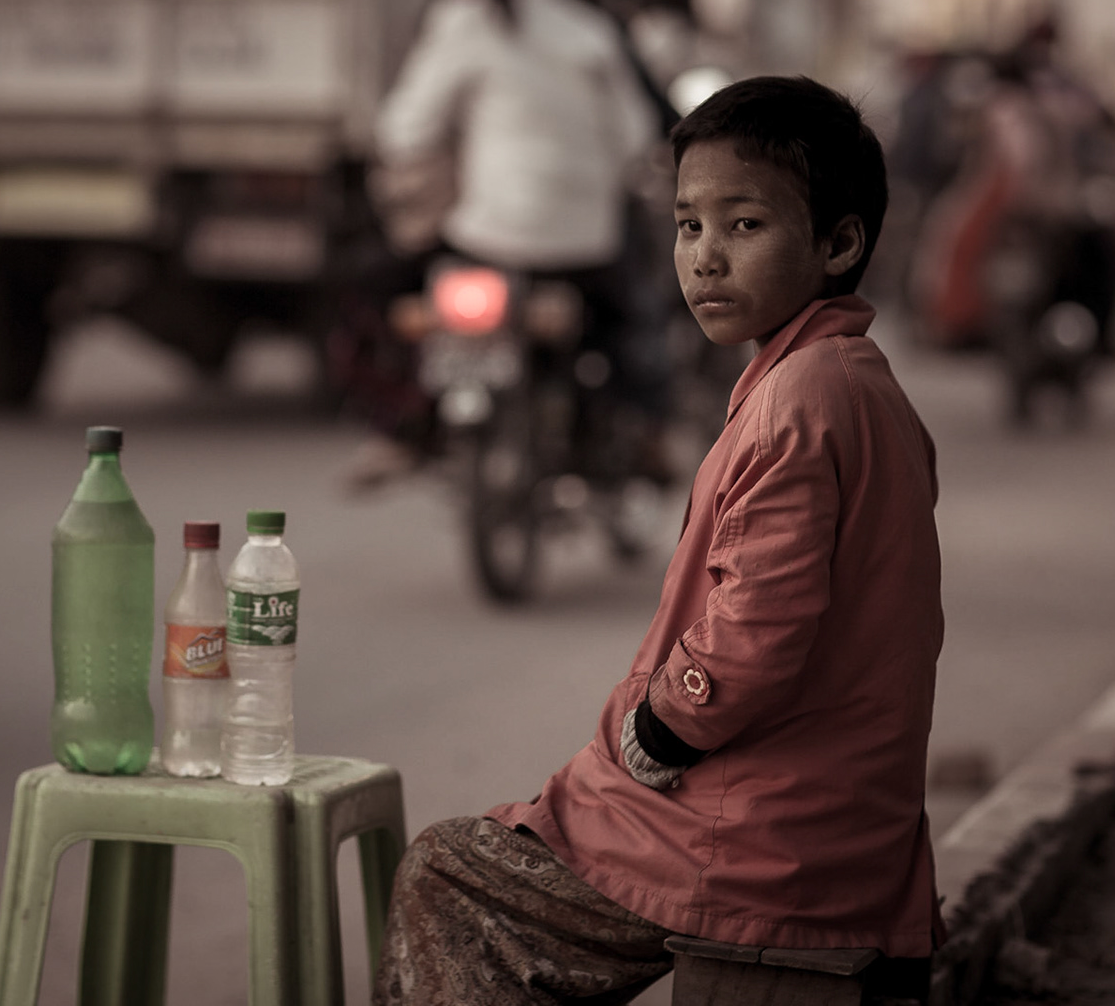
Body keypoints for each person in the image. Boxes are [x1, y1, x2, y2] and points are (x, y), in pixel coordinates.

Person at [372, 77, 944, 1004]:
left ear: (840, 243)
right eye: (688, 227)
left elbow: (756, 628)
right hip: (820, 818)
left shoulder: (797, 405)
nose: (706, 259)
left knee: (450, 875)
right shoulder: (851, 382)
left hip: (755, 845)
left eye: (745, 226)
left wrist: (655, 732)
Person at [342, 0, 659, 489]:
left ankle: (400, 427)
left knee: (380, 289)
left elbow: (405, 128)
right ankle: (640, 434)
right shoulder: (588, 28)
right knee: (626, 321)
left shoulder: (459, 21)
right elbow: (634, 138)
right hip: (586, 241)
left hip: (487, 235)